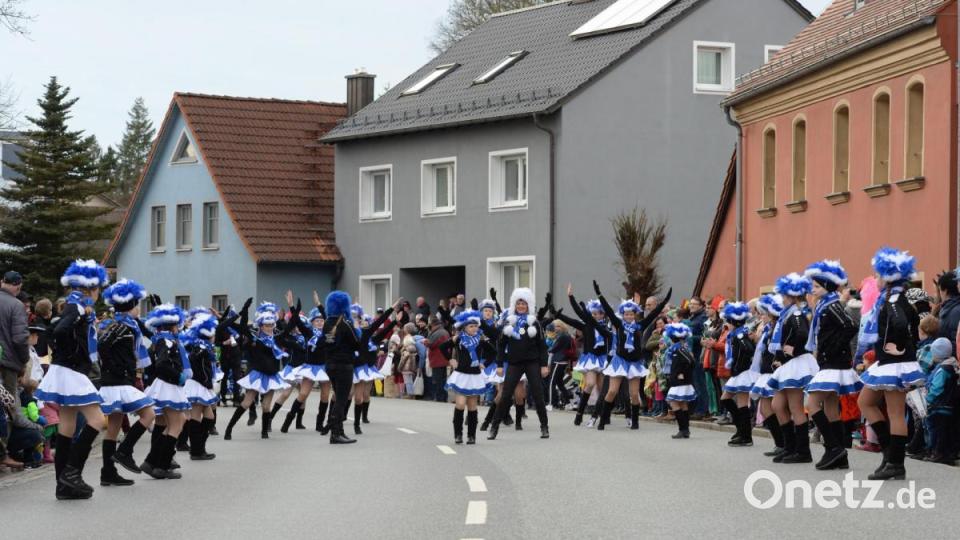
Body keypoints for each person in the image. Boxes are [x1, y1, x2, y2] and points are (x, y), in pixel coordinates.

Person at [33, 260, 110, 499]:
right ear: (91, 288)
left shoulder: (77, 305)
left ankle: (63, 485)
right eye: (98, 289)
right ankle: (72, 473)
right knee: (99, 421)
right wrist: (73, 352)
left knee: (67, 425)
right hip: (71, 371)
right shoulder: (76, 307)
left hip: (68, 370)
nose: (99, 295)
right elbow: (58, 331)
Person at [858, 248, 925, 480]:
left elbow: (900, 324)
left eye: (877, 275)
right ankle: (888, 453)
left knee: (896, 413)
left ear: (888, 277)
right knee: (865, 402)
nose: (875, 279)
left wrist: (898, 347)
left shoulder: (894, 300)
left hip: (894, 362)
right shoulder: (890, 299)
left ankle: (896, 463)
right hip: (887, 361)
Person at [96, 279, 157, 486]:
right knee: (149, 413)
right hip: (118, 380)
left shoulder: (125, 324)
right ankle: (125, 451)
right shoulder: (123, 326)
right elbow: (102, 348)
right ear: (131, 306)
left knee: (113, 426)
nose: (139, 308)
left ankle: (107, 472)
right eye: (137, 304)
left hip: (117, 379)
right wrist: (116, 368)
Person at [803, 260, 861, 471]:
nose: (813, 289)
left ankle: (835, 448)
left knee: (811, 404)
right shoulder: (823, 305)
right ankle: (837, 454)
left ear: (826, 287)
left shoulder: (832, 305)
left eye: (817, 286)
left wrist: (833, 348)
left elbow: (850, 326)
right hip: (829, 362)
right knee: (830, 407)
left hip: (834, 362)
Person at [594, 280, 670, 431]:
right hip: (620, 361)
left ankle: (635, 421)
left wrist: (665, 301)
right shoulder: (619, 324)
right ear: (623, 315)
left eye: (631, 314)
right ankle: (603, 419)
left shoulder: (639, 325)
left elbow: (654, 314)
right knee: (612, 391)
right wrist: (599, 294)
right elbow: (608, 310)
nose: (628, 316)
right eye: (626, 314)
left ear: (635, 315)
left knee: (634, 395)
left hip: (634, 362)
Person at [766, 272, 818, 464]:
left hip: (796, 363)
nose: (782, 298)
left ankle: (802, 451)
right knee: (777, 405)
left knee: (795, 407)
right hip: (787, 364)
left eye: (784, 295)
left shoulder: (796, 312)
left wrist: (792, 350)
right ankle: (789, 446)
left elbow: (803, 333)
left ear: (792, 295)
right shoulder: (786, 314)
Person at [487, 288, 550, 441]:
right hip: (514, 363)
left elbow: (542, 346)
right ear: (514, 305)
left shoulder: (534, 322)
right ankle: (494, 427)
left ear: (528, 305)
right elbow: (501, 345)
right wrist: (500, 364)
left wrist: (543, 365)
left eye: (524, 303)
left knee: (537, 393)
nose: (521, 306)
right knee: (506, 394)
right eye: (518, 303)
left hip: (532, 362)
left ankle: (544, 426)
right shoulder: (509, 321)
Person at [224, 300, 290, 440]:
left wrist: (292, 308)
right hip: (258, 374)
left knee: (266, 406)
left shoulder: (277, 339)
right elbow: (242, 327)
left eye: (272, 325)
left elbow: (292, 327)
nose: (270, 327)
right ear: (261, 325)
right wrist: (245, 309)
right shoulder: (254, 339)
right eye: (266, 325)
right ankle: (229, 428)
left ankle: (264, 432)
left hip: (272, 375)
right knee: (247, 403)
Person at [140, 304, 191, 480]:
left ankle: (152, 461)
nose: (179, 327)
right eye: (177, 324)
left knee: (171, 423)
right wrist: (179, 376)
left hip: (167, 385)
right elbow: (162, 364)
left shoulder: (162, 338)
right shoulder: (166, 340)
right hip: (169, 385)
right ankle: (161, 466)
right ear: (172, 325)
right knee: (176, 425)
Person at [554, 284, 610, 427]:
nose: (597, 316)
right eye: (594, 314)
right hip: (590, 358)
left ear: (603, 314)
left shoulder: (606, 328)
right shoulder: (587, 326)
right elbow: (575, 317)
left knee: (602, 388)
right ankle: (579, 413)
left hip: (602, 359)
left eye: (600, 313)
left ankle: (600, 414)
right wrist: (570, 298)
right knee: (590, 383)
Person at [442, 310, 495, 444]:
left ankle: (472, 436)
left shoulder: (481, 340)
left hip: (475, 376)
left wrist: (485, 363)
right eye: (471, 326)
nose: (474, 328)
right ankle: (458, 434)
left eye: (476, 326)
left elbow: (494, 353)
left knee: (472, 407)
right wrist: (450, 360)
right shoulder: (458, 338)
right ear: (465, 327)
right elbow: (442, 347)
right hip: (461, 375)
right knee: (460, 404)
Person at [321, 291, 361, 444]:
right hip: (344, 365)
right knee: (341, 400)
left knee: (338, 396)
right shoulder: (345, 323)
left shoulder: (326, 323)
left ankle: (339, 431)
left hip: (330, 365)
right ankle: (334, 431)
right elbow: (357, 343)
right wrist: (356, 326)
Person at [749, 294, 786, 457]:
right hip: (766, 372)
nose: (760, 316)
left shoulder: (779, 327)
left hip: (775, 372)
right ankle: (780, 443)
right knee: (765, 408)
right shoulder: (768, 329)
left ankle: (786, 443)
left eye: (763, 313)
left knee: (778, 408)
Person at [182, 312, 221, 461]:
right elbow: (198, 367)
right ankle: (197, 451)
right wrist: (207, 384)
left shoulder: (203, 346)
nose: (215, 336)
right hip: (198, 384)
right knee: (196, 417)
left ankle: (199, 448)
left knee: (209, 417)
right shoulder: (200, 347)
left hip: (202, 384)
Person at [719, 302, 757, 447]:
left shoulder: (740, 333)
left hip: (742, 372)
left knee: (738, 402)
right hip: (738, 371)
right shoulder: (736, 333)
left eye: (728, 321)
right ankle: (742, 430)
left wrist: (738, 363)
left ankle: (745, 435)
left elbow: (748, 349)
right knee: (729, 400)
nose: (727, 323)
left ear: (733, 321)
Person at [923, 338, 957, 465]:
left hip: (939, 405)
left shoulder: (942, 369)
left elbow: (937, 388)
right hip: (947, 404)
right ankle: (943, 452)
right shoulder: (951, 365)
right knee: (945, 430)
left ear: (937, 354)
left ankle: (937, 452)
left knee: (935, 430)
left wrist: (928, 399)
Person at [0, 271, 29, 406]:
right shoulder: (16, 305)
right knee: (8, 405)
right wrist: (24, 360)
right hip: (7, 364)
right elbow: (20, 339)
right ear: (18, 286)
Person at [663, 323, 695, 438]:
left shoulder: (680, 348)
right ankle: (685, 430)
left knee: (673, 402)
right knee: (682, 403)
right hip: (679, 379)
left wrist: (682, 373)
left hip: (680, 380)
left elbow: (691, 361)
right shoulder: (679, 347)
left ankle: (683, 429)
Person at [425, 317, 451, 403]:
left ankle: (439, 398)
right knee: (443, 379)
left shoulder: (436, 333)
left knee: (437, 380)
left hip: (437, 359)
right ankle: (444, 397)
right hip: (443, 359)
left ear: (432, 324)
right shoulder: (444, 331)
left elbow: (431, 344)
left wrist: (425, 342)